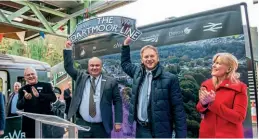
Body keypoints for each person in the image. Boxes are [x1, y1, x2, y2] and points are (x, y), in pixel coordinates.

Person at [121, 37, 187, 138]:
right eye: (146, 57)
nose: (149, 59)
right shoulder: (137, 73)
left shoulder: (170, 79)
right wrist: (125, 45)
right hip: (140, 129)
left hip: (160, 132)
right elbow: (125, 64)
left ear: (158, 58)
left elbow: (178, 110)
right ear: (142, 60)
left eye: (152, 56)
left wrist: (181, 136)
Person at [64, 40, 123, 138]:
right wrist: (68, 49)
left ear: (101, 66)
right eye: (92, 65)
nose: (94, 68)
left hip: (102, 127)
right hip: (83, 124)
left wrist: (118, 121)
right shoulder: (80, 77)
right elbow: (68, 67)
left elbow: (117, 101)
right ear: (88, 67)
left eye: (97, 65)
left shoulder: (111, 81)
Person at [196, 53, 248, 138]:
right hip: (206, 134)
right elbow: (199, 108)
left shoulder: (240, 87)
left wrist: (212, 103)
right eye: (214, 63)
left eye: (218, 63)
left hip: (230, 135)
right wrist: (204, 104)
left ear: (229, 69)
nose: (213, 65)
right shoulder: (206, 84)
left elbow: (239, 117)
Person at [16, 67, 56, 138]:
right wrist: (25, 98)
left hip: (45, 124)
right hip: (29, 126)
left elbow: (53, 98)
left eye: (32, 74)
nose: (31, 76)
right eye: (28, 75)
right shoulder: (22, 90)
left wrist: (39, 95)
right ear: (25, 78)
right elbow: (18, 106)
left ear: (36, 75)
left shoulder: (46, 86)